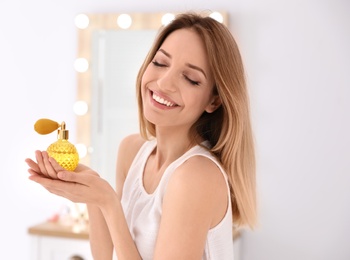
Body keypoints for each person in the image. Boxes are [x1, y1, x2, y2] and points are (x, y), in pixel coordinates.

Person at [25, 12, 256, 260]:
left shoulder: (197, 176)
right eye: (160, 63)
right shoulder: (132, 150)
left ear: (214, 100)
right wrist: (91, 195)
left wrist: (109, 203)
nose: (164, 83)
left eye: (190, 78)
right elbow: (106, 256)